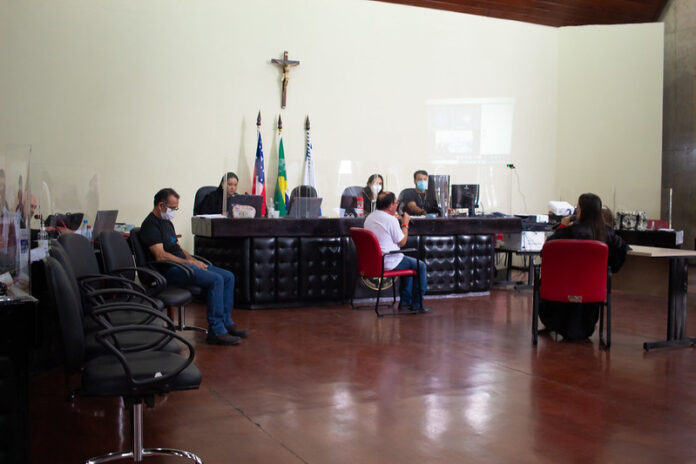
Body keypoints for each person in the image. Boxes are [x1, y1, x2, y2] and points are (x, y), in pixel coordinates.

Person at [140, 188, 247, 345]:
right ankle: (216, 331)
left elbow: (177, 247)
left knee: (228, 276)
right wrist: (188, 262)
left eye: (176, 208)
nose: (174, 212)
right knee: (216, 280)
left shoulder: (166, 223)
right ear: (161, 205)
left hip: (183, 265)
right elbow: (161, 256)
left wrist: (192, 259)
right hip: (169, 270)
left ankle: (227, 322)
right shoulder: (150, 225)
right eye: (172, 208)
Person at [539, 193, 628, 341]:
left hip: (562, 291)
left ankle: (552, 323)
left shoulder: (566, 232)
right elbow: (621, 252)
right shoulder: (607, 233)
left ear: (579, 211)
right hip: (591, 295)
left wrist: (562, 225)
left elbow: (546, 252)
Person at [364, 191, 429, 311]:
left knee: (408, 265)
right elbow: (402, 242)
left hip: (374, 261)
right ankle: (418, 304)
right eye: (395, 203)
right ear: (390, 206)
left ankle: (405, 302)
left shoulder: (369, 217)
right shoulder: (390, 220)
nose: (397, 205)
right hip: (389, 259)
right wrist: (405, 224)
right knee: (421, 266)